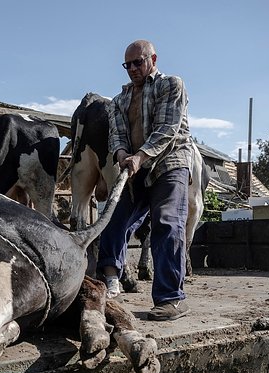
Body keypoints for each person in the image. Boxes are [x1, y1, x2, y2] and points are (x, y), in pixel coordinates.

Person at [97, 39, 194, 321]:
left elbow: (167, 129)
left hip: (169, 163)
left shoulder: (171, 85)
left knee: (166, 220)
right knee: (114, 218)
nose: (132, 69)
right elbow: (117, 135)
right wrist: (123, 153)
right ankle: (110, 278)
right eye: (127, 65)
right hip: (135, 166)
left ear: (153, 58)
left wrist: (140, 156)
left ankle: (171, 299)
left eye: (138, 62)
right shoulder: (119, 100)